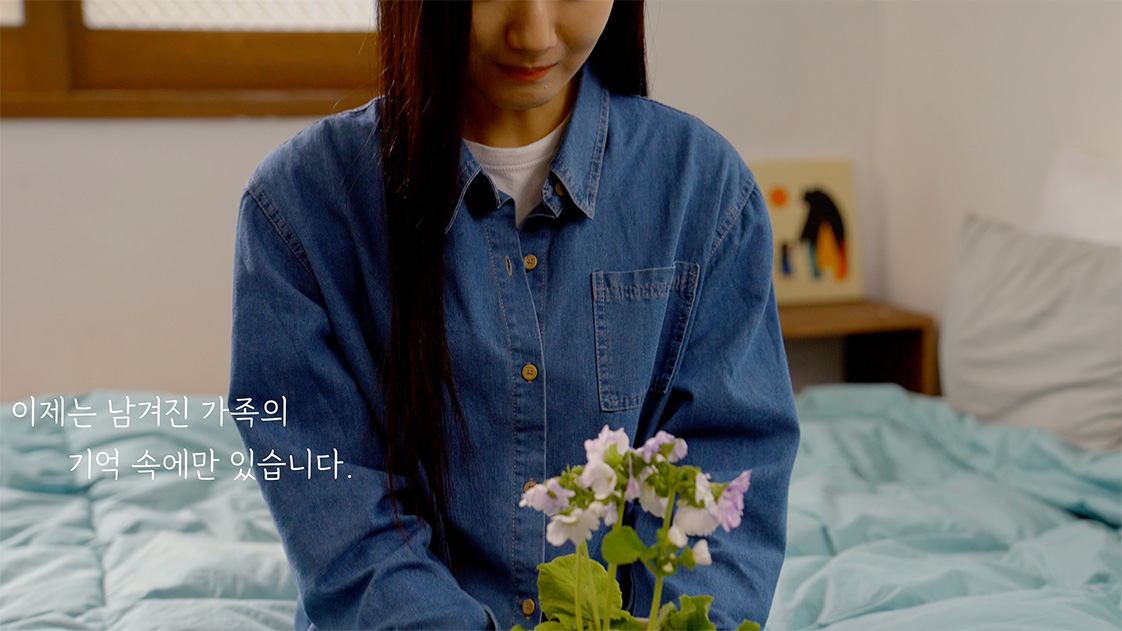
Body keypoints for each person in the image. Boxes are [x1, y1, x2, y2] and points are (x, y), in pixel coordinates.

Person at [228, 1, 800, 629]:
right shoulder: (298, 209)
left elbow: (725, 479)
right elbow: (343, 527)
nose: (533, 35)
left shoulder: (706, 189)